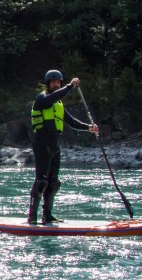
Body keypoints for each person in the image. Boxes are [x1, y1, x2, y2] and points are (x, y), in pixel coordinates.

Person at [28, 70, 98, 224]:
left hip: (54, 145)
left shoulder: (58, 104)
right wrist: (69, 86)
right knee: (41, 181)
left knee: (53, 183)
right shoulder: (42, 98)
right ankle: (32, 217)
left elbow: (71, 121)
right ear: (48, 84)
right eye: (53, 82)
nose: (56, 84)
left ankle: (47, 215)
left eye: (58, 82)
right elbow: (53, 96)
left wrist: (88, 127)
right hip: (41, 143)